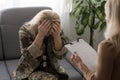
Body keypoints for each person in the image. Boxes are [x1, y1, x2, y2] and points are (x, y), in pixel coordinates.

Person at [12, 9, 68, 80]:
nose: (48, 34)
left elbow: (61, 56)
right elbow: (27, 56)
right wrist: (40, 35)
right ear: (38, 24)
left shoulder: (57, 29)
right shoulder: (25, 30)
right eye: (48, 30)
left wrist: (57, 36)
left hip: (53, 69)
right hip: (31, 70)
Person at [71, 0, 120, 80]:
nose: (105, 18)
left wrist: (80, 64)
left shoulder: (108, 46)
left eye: (106, 14)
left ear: (112, 18)